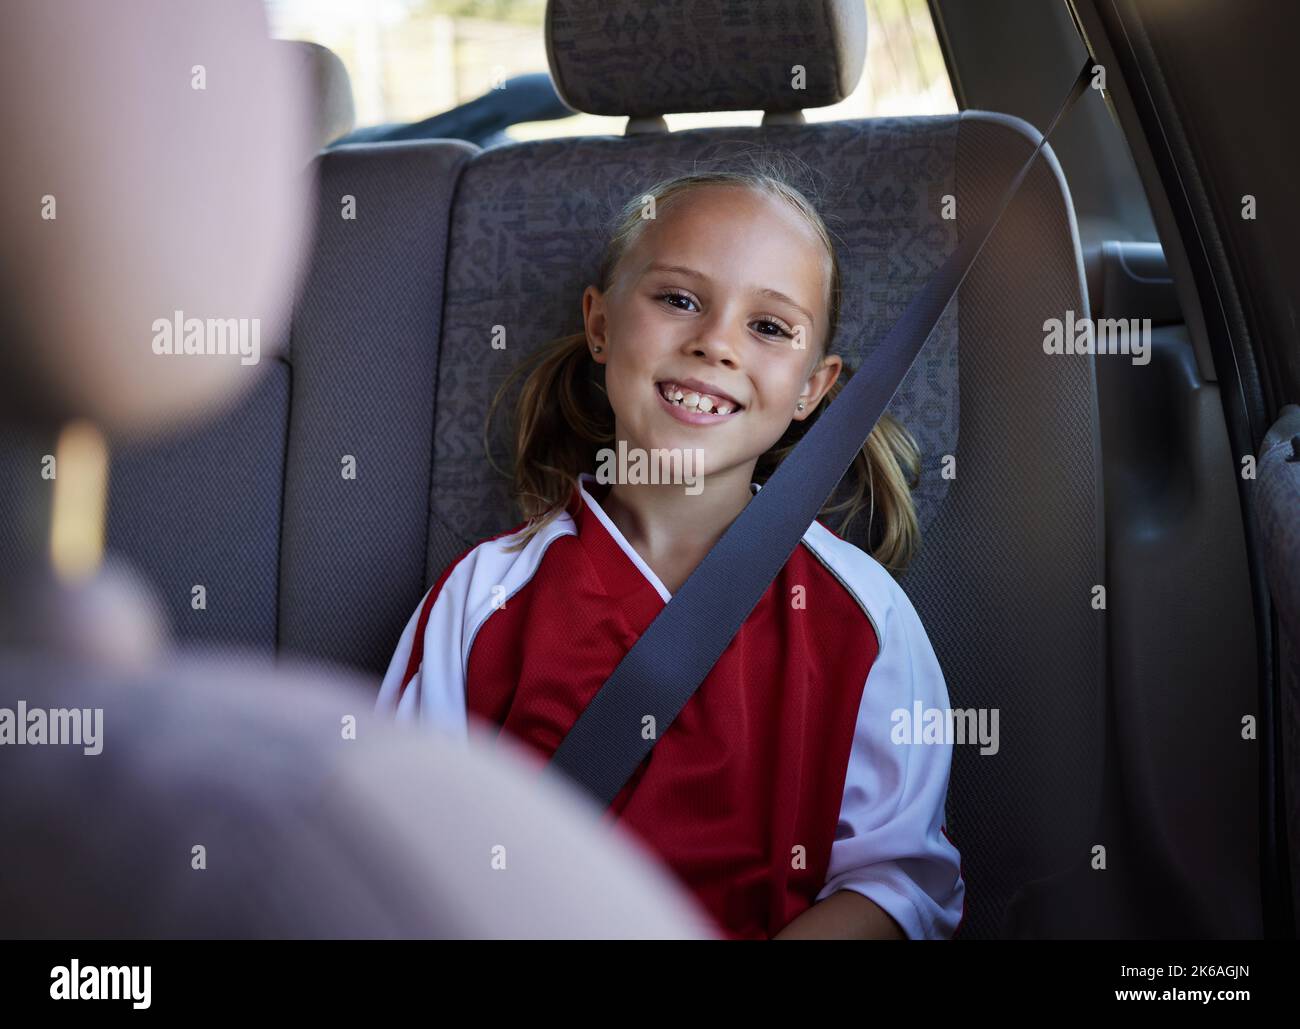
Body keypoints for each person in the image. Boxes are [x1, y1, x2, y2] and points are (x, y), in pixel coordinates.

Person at [376, 158, 965, 940]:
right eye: (679, 299)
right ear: (600, 325)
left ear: (812, 389)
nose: (716, 343)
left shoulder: (863, 617)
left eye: (768, 326)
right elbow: (399, 855)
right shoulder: (483, 599)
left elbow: (897, 882)